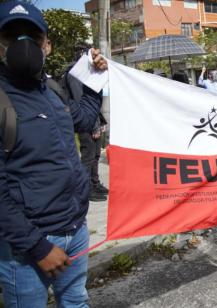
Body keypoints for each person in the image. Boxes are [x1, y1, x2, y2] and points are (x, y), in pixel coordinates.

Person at [0, 1, 108, 306]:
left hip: (75, 230)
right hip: (27, 247)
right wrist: (37, 247)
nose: (22, 45)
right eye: (11, 36)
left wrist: (93, 81)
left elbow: (86, 119)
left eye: (31, 37)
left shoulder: (53, 92)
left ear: (46, 45)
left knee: (76, 301)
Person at [64, 42, 109, 202]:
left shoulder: (86, 72)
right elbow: (80, 103)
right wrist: (93, 125)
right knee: (88, 156)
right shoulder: (75, 74)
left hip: (94, 120)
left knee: (96, 154)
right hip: (85, 123)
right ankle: (86, 188)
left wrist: (99, 121)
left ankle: (94, 183)